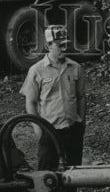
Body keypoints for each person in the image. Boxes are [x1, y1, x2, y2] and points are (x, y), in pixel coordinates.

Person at [20, 25, 88, 169]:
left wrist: (81, 123)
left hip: (72, 129)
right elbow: (31, 103)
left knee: (74, 172)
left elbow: (81, 97)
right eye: (60, 45)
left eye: (66, 44)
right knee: (47, 175)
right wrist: (38, 129)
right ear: (48, 45)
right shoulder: (37, 70)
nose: (64, 48)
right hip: (49, 131)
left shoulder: (75, 68)